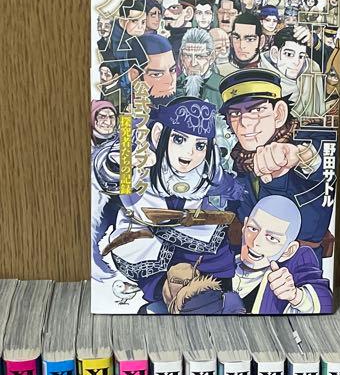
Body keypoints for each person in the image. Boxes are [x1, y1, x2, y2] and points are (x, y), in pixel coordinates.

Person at [95, 98, 247, 311]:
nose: (189, 153)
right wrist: (126, 156)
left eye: (199, 145)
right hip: (145, 231)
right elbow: (113, 174)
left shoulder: (207, 170)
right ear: (159, 135)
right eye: (179, 139)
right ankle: (166, 296)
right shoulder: (143, 161)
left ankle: (214, 299)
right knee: (151, 264)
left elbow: (230, 188)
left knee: (217, 254)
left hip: (194, 230)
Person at [219, 68, 332, 246]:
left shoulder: (306, 136)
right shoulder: (240, 159)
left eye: (256, 110)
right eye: (235, 113)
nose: (244, 122)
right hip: (248, 253)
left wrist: (299, 156)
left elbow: (323, 156)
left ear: (279, 113)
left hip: (300, 256)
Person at [232, 195, 332, 314]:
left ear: (288, 250)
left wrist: (296, 296)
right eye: (253, 229)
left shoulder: (299, 260)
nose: (256, 242)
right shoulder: (222, 258)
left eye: (271, 238)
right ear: (244, 227)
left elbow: (326, 302)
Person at [262, 25, 325, 119]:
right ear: (274, 54)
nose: (296, 62)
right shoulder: (259, 74)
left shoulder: (310, 75)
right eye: (289, 54)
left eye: (301, 56)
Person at [177, 28, 223, 108]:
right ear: (182, 57)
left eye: (199, 56)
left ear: (212, 57)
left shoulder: (223, 88)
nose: (193, 63)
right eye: (188, 56)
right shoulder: (173, 87)